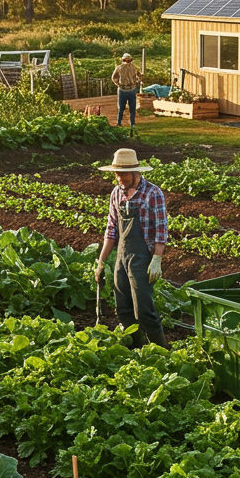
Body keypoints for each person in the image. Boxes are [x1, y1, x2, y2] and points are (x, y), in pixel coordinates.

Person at [94, 148, 167, 347]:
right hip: (121, 257)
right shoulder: (116, 194)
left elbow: (161, 230)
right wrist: (100, 262)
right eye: (117, 173)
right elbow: (111, 230)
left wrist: (157, 259)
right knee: (123, 308)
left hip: (142, 258)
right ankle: (137, 346)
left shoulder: (153, 193)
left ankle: (161, 351)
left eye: (123, 173)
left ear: (136, 172)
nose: (119, 177)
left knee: (143, 309)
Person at [112, 53, 143, 131]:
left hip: (132, 89)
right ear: (123, 60)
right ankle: (119, 122)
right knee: (121, 107)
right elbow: (114, 77)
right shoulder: (119, 68)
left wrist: (138, 80)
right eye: (125, 60)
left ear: (131, 60)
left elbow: (140, 75)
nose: (127, 62)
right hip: (122, 89)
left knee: (132, 107)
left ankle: (133, 123)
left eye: (129, 60)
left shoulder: (134, 68)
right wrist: (118, 84)